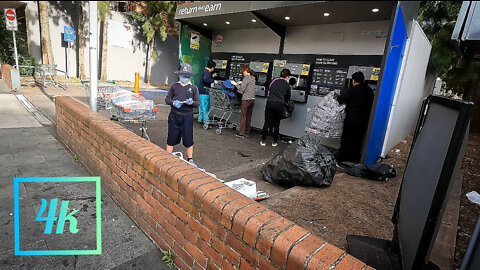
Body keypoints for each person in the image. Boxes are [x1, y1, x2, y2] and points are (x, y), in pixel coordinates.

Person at [165, 63, 200, 165]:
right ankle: (167, 157)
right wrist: (173, 103)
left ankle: (190, 159)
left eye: (186, 76)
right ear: (179, 75)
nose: (184, 78)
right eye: (183, 75)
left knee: (188, 138)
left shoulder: (193, 88)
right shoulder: (174, 86)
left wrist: (192, 103)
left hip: (187, 117)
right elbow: (167, 99)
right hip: (174, 115)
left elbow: (197, 103)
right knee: (171, 137)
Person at [337, 71, 374, 163]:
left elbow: (340, 99)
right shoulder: (370, 91)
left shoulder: (352, 90)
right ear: (363, 80)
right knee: (358, 140)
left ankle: (344, 159)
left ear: (353, 81)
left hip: (351, 119)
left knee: (347, 140)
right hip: (364, 121)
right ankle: (355, 160)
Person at [261, 69, 292, 147]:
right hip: (279, 104)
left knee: (267, 122)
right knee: (277, 124)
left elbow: (268, 89)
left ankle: (263, 141)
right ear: (287, 77)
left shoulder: (273, 80)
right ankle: (274, 142)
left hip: (270, 102)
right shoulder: (287, 85)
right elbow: (288, 97)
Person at [235, 65, 256, 138]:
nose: (242, 73)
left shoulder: (246, 78)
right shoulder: (253, 78)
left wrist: (236, 84)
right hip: (252, 99)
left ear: (245, 71)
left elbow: (241, 89)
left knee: (243, 116)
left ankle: (241, 133)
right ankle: (247, 132)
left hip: (246, 100)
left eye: (243, 71)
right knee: (249, 116)